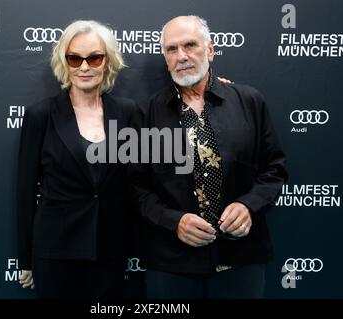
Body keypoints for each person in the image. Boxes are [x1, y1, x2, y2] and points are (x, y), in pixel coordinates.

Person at [127, 15, 288, 299]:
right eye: (172, 49)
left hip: (240, 260)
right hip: (171, 264)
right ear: (165, 59)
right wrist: (172, 221)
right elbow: (135, 186)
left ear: (210, 51)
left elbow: (274, 169)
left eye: (190, 45)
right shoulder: (146, 113)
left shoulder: (249, 102)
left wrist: (249, 206)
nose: (182, 56)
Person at [16, 20, 137, 298]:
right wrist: (25, 259)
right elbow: (24, 191)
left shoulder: (128, 112)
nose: (84, 67)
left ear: (107, 62)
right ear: (64, 62)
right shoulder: (41, 115)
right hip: (55, 251)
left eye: (94, 58)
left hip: (109, 251)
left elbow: (137, 179)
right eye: (75, 58)